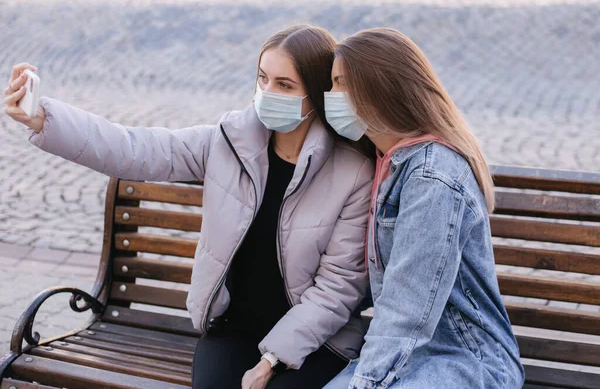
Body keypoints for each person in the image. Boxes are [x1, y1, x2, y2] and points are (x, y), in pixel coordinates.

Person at [3, 24, 374, 389]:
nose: (267, 92)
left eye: (284, 85)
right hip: (234, 330)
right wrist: (44, 119)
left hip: (315, 341)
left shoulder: (352, 173)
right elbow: (134, 148)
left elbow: (337, 290)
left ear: (316, 93)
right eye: (263, 78)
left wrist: (271, 359)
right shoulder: (227, 141)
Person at [322, 28, 525, 388]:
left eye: (341, 83)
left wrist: (363, 382)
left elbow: (407, 307)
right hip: (409, 355)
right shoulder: (389, 161)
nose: (332, 96)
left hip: (465, 358)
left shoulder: (432, 176)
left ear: (379, 88)